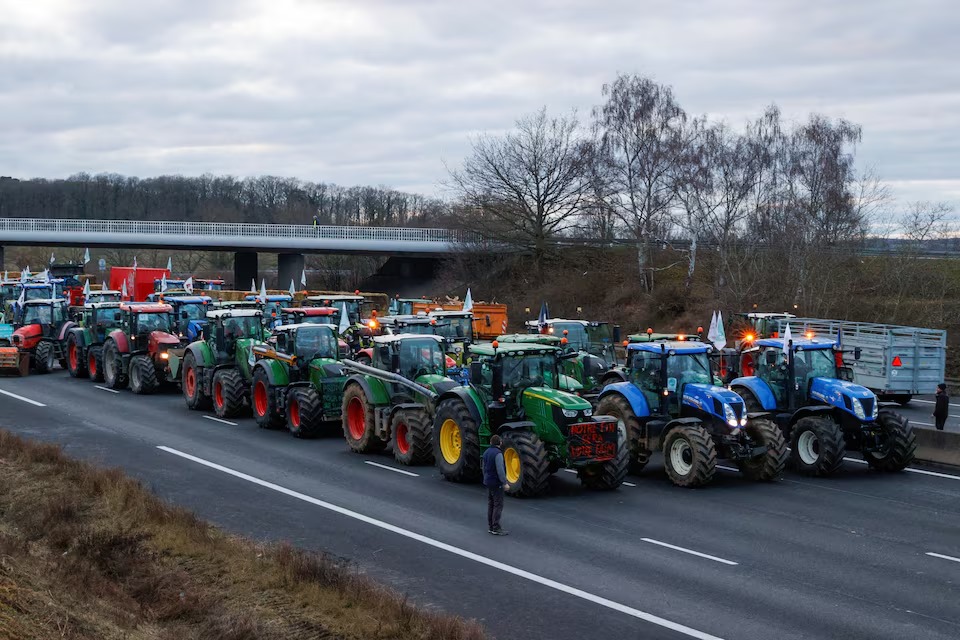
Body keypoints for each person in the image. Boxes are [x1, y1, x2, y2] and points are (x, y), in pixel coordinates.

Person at [482, 435, 509, 535]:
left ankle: (490, 526)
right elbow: (500, 470)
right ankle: (496, 527)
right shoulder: (498, 454)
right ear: (500, 443)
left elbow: (483, 468)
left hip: (488, 481)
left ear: (490, 442)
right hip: (496, 483)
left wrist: (485, 479)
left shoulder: (486, 452)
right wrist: (504, 483)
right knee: (498, 505)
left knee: (491, 504)